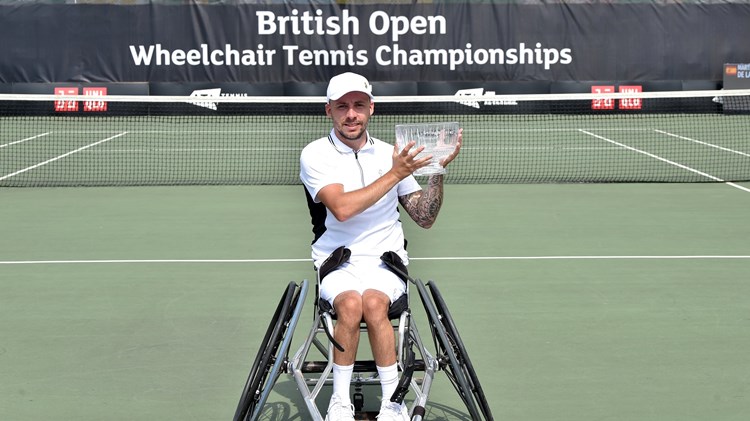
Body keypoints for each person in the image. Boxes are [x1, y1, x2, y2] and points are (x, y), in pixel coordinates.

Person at [299, 72, 462, 421]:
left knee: (373, 303)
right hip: (337, 261)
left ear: (371, 108)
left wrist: (437, 171)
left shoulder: (391, 153)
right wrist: (396, 172)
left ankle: (392, 402)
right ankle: (339, 401)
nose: (351, 114)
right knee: (350, 303)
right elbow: (341, 209)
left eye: (358, 105)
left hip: (386, 260)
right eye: (342, 106)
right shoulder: (315, 154)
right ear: (329, 110)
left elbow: (424, 216)